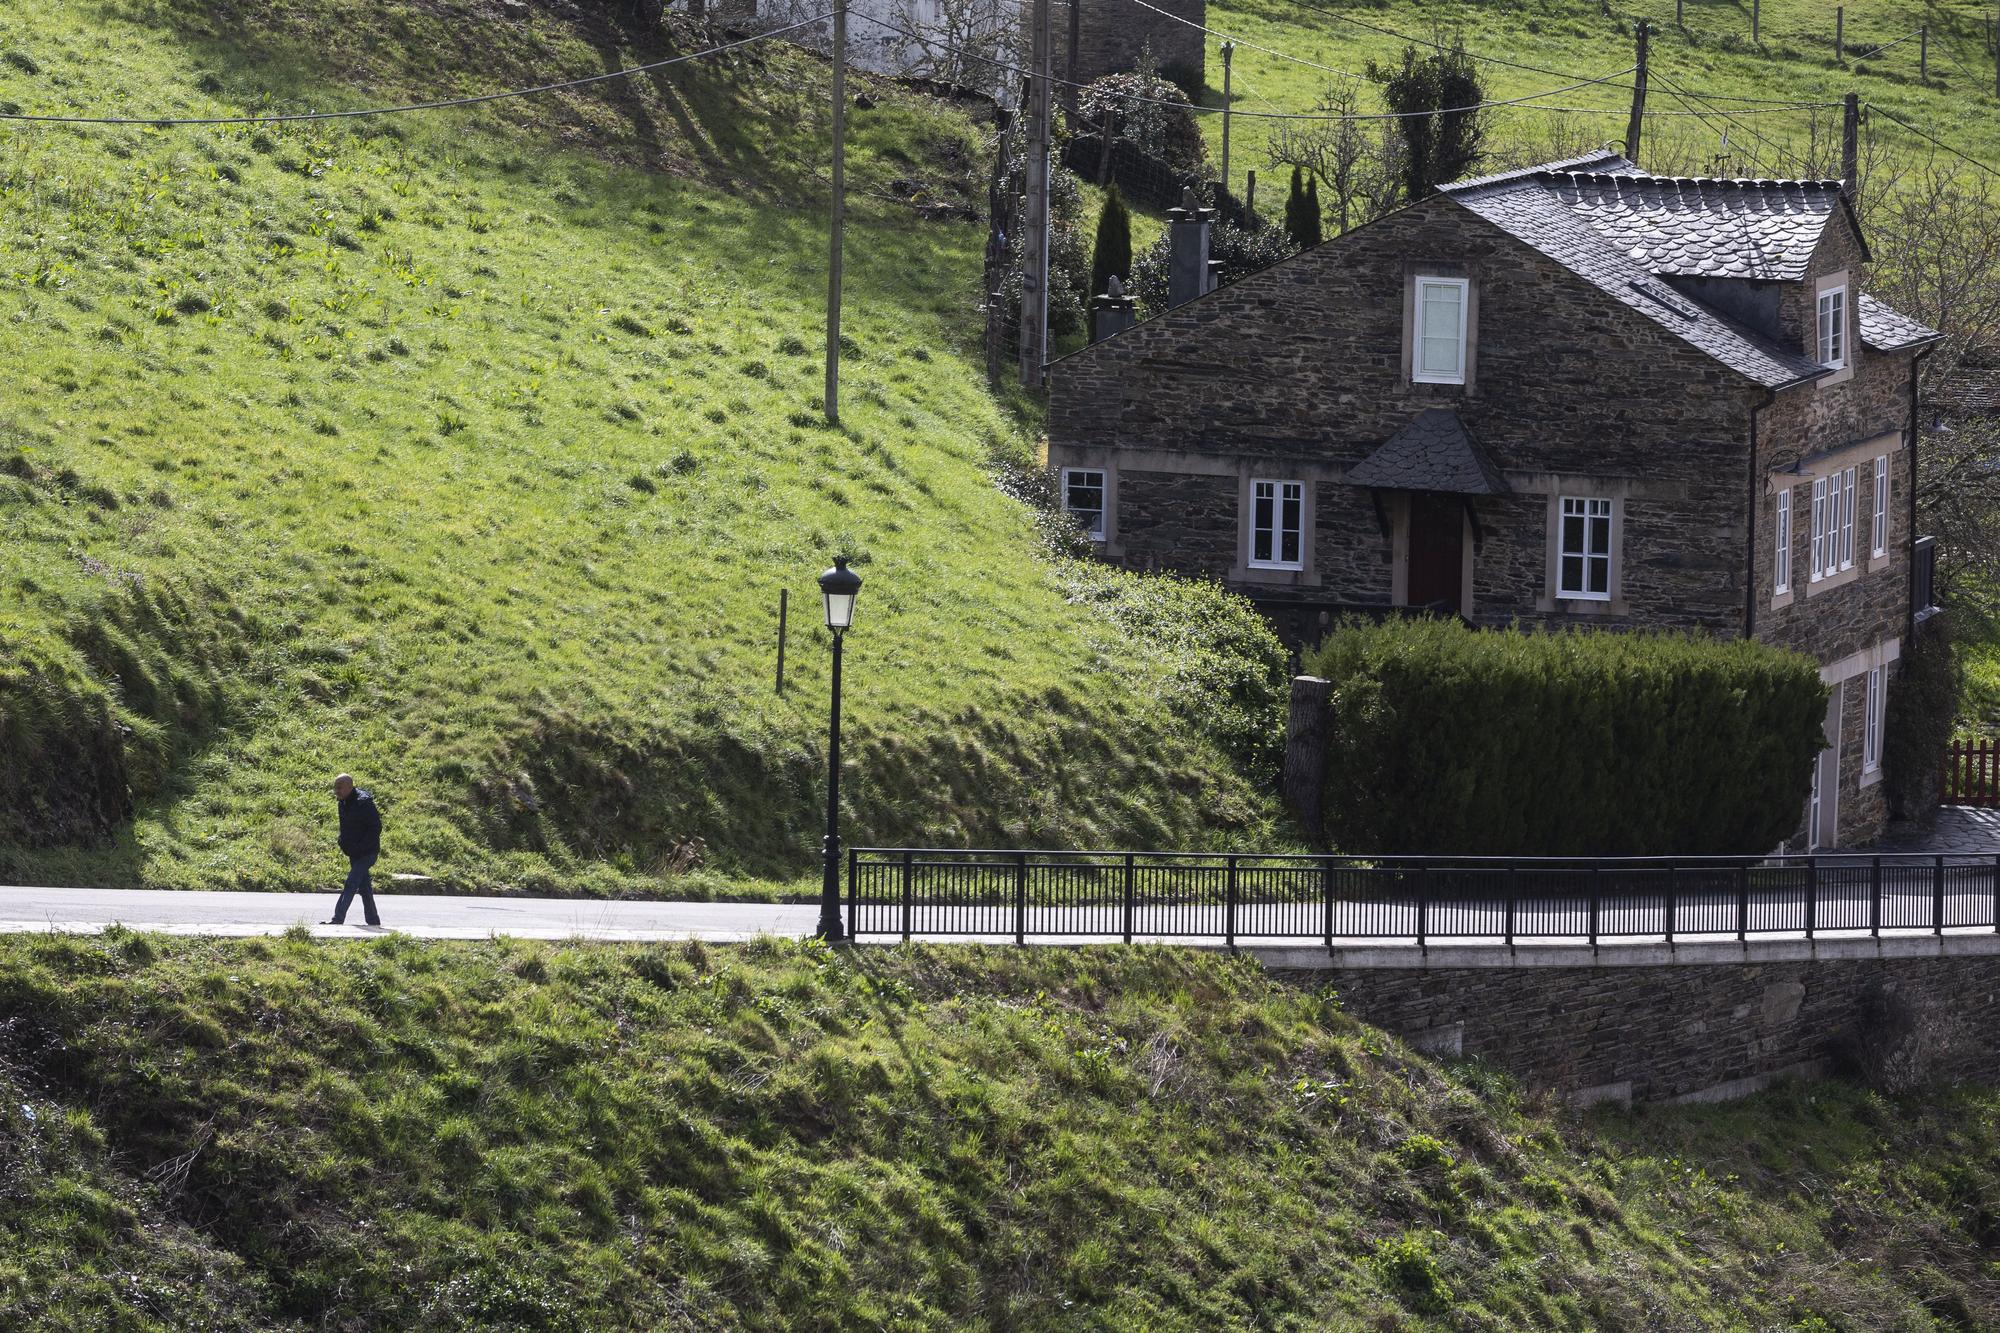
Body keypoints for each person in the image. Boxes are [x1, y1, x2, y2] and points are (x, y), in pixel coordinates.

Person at [323, 774, 383, 927]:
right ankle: (373, 921)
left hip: (367, 853)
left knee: (351, 883)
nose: (336, 791)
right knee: (365, 888)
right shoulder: (342, 803)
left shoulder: (364, 803)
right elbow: (345, 828)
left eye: (339, 788)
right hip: (354, 853)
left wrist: (361, 847)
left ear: (349, 787)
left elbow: (376, 827)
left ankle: (338, 918)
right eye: (335, 787)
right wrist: (343, 842)